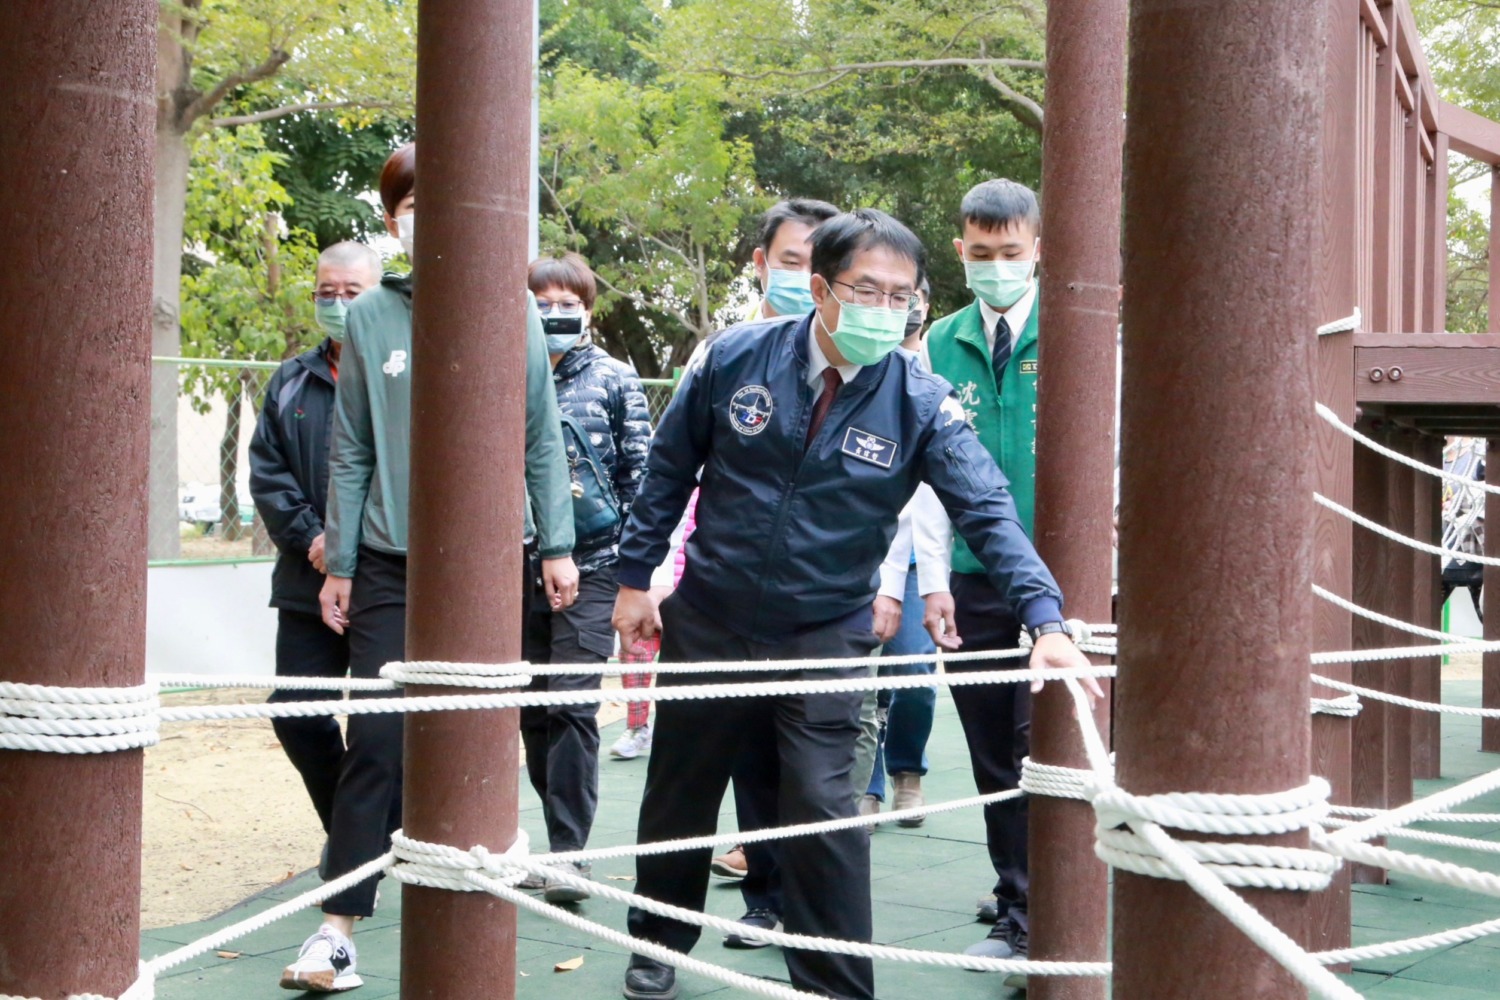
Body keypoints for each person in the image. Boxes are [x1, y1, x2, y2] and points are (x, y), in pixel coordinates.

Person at [611, 208, 1100, 1000]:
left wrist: (1043, 617)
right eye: (865, 290)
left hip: (825, 627)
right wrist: (636, 580)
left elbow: (987, 509)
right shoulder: (733, 359)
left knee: (826, 809)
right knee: (681, 786)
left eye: (901, 296)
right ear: (817, 288)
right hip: (713, 614)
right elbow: (667, 470)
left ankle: (837, 984)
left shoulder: (919, 398)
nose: (885, 309)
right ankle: (659, 940)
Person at [278, 142, 579, 993]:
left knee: (484, 739)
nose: (428, 222)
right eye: (412, 207)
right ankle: (337, 931)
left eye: (444, 203)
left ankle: (483, 908)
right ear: (392, 221)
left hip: (489, 567)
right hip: (387, 562)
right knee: (376, 739)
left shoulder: (510, 307)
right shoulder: (370, 314)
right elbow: (352, 449)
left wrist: (555, 544)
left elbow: (539, 433)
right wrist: (339, 561)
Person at [917, 177, 1045, 960]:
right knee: (995, 754)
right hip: (971, 576)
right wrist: (933, 578)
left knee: (1047, 749)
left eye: (1012, 253)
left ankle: (1038, 913)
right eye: (983, 253)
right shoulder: (937, 341)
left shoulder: (1087, 331)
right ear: (961, 251)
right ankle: (1016, 897)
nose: (997, 265)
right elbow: (927, 481)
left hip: (1058, 579)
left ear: (1039, 251)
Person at [518, 252, 651, 903]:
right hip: (514, 565)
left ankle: (570, 852)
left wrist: (638, 575)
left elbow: (642, 481)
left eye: (568, 304)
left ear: (589, 311)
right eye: (541, 303)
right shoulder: (504, 373)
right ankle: (556, 836)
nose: (554, 315)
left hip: (595, 565)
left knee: (570, 700)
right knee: (531, 710)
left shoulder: (616, 379)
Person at [250, 241, 382, 882]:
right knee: (298, 712)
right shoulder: (291, 378)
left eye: (351, 292)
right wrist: (319, 541)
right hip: (307, 580)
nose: (337, 302)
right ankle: (359, 840)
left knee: (380, 726)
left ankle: (364, 851)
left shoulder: (398, 369)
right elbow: (268, 474)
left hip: (385, 577)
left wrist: (355, 545)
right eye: (327, 291)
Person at [861, 279, 947, 824]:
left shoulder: (941, 374)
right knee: (858, 680)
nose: (904, 307)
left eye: (912, 295)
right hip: (863, 555)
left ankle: (906, 770)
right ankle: (864, 785)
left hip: (919, 556)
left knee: (913, 671)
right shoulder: (866, 368)